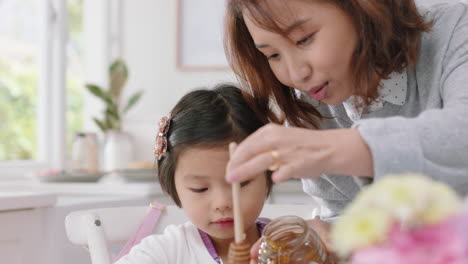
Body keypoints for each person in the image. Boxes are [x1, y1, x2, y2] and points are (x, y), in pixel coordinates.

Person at [223, 0, 468, 252]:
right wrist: (332, 233)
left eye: (304, 39)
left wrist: (341, 150)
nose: (297, 74)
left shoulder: (453, 29)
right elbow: (350, 215)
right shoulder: (311, 107)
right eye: (273, 55)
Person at [115, 84, 273, 264]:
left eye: (241, 184)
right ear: (173, 186)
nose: (222, 203)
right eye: (200, 189)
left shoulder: (289, 246)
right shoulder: (165, 253)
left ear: (268, 175)